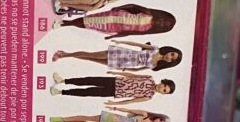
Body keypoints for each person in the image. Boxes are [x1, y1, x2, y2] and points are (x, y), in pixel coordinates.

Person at [53, 4, 176, 36]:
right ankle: (64, 24)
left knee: (89, 25)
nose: (162, 22)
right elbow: (133, 6)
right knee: (88, 20)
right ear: (162, 16)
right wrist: (119, 7)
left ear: (162, 28)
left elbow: (130, 33)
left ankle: (66, 23)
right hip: (115, 16)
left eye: (164, 25)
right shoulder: (149, 13)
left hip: (114, 28)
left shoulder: (148, 29)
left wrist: (116, 35)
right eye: (164, 20)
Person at [52, 42, 182, 72]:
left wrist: (123, 70)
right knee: (90, 54)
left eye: (172, 59)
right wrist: (121, 42)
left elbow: (137, 70)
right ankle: (64, 55)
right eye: (172, 54)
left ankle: (65, 54)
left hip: (122, 64)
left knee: (90, 59)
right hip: (121, 53)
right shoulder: (156, 49)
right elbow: (138, 45)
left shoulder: (154, 66)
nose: (169, 57)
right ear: (170, 51)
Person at [51, 72, 175, 102]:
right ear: (163, 82)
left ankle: (61, 92)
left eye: (164, 91)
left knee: (88, 92)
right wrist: (117, 72)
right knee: (89, 80)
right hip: (114, 81)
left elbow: (131, 101)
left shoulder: (149, 96)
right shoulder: (149, 78)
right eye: (164, 86)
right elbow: (132, 75)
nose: (162, 88)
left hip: (115, 92)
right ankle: (63, 80)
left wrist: (115, 104)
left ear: (163, 93)